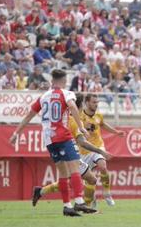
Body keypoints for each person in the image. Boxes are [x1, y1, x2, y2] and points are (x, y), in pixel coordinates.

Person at [9, 69, 96, 217]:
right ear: (63, 80)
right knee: (74, 169)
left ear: (52, 80)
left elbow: (29, 115)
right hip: (63, 135)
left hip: (49, 139)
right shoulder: (67, 93)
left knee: (63, 173)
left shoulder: (43, 97)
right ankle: (79, 201)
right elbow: (73, 107)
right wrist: (81, 127)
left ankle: (67, 206)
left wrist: (16, 133)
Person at [34, 93, 125, 209]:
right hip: (79, 153)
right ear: (84, 104)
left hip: (91, 148)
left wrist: (115, 133)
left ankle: (93, 201)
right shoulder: (75, 119)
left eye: (97, 102)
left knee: (97, 172)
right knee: (70, 181)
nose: (96, 104)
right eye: (94, 102)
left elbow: (102, 124)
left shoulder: (73, 117)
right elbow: (82, 142)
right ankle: (42, 191)